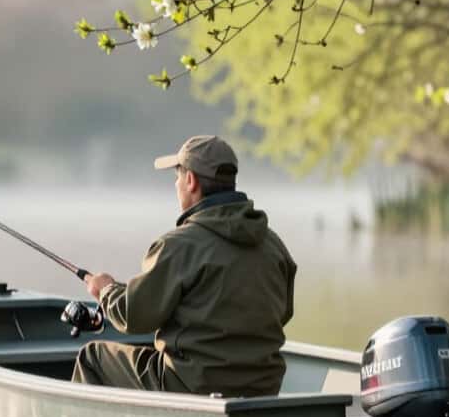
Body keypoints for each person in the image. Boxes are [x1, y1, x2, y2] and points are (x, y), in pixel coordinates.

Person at [71, 135, 297, 398]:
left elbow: (132, 315)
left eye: (178, 177)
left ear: (191, 181)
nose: (176, 184)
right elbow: (283, 313)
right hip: (263, 387)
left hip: (192, 385)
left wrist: (106, 290)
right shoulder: (274, 246)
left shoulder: (177, 246)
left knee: (93, 357)